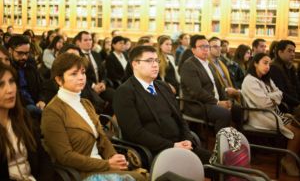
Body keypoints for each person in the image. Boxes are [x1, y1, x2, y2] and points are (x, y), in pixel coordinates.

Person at [41, 53, 145, 181]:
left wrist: (115, 159)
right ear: (58, 80)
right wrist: (107, 164)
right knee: (140, 178)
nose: (81, 78)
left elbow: (102, 138)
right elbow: (65, 156)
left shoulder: (86, 103)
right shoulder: (52, 111)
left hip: (101, 165)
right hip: (81, 173)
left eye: (83, 72)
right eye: (74, 74)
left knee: (144, 175)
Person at [113, 46, 211, 167]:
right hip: (155, 151)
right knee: (197, 168)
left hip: (181, 145)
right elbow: (135, 133)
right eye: (149, 61)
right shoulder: (125, 92)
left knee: (219, 161)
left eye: (156, 60)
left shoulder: (163, 86)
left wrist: (187, 140)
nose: (155, 65)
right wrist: (172, 146)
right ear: (135, 64)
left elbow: (180, 119)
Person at [241, 53, 300, 177]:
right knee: (296, 131)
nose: (268, 66)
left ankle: (291, 158)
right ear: (256, 63)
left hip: (273, 113)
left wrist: (272, 97)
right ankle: (289, 161)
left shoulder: (266, 78)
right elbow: (263, 103)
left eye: (269, 63)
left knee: (297, 124)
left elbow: (280, 93)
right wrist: (274, 97)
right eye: (265, 63)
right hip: (260, 116)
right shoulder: (250, 80)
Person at [0, 63, 55, 181]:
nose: (10, 90)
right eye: (1, 85)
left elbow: (43, 157)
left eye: (12, 81)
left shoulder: (23, 117)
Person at [180, 35, 231, 133]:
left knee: (237, 108)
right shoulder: (189, 66)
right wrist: (218, 103)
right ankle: (220, 145)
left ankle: (237, 141)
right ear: (193, 50)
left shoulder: (208, 64)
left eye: (207, 46)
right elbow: (197, 92)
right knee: (224, 114)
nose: (205, 49)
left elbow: (218, 86)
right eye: (201, 47)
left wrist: (226, 100)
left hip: (212, 101)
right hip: (198, 105)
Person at [8, 35, 46, 121]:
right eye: (20, 53)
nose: (24, 57)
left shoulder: (31, 67)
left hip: (36, 105)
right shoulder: (6, 70)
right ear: (10, 51)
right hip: (18, 109)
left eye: (26, 53)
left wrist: (41, 100)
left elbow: (42, 87)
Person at [269, 40, 300, 114]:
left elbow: (297, 87)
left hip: (294, 103)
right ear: (280, 52)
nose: (293, 54)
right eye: (289, 51)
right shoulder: (274, 68)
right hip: (285, 107)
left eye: (293, 51)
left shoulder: (290, 67)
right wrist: (298, 103)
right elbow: (281, 93)